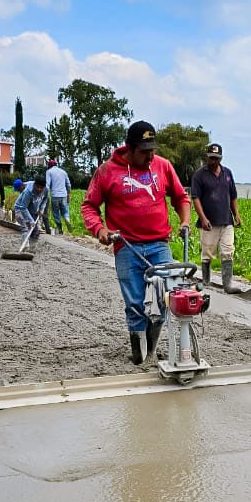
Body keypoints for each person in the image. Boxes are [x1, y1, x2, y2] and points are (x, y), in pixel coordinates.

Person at [82, 120, 192, 365]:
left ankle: (151, 350)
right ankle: (139, 354)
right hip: (127, 246)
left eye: (152, 149)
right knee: (134, 302)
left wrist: (184, 221)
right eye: (144, 151)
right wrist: (99, 229)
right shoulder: (107, 171)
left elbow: (180, 197)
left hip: (159, 244)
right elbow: (89, 206)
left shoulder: (162, 166)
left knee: (165, 297)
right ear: (129, 149)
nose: (150, 154)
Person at [190, 142, 241, 292]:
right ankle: (206, 281)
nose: (214, 161)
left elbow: (233, 196)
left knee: (228, 250)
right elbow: (196, 198)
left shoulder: (227, 173)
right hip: (209, 222)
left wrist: (236, 214)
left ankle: (228, 284)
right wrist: (203, 218)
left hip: (226, 220)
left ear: (221, 158)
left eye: (217, 158)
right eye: (211, 158)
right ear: (207, 157)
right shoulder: (199, 175)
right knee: (208, 252)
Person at [14, 174, 50, 244]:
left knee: (35, 230)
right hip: (20, 209)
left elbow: (45, 200)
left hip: (33, 210)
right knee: (26, 228)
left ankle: (32, 247)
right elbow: (23, 207)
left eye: (41, 187)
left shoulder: (46, 190)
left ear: (44, 187)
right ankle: (25, 248)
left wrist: (41, 209)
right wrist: (31, 220)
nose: (39, 189)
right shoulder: (28, 191)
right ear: (34, 185)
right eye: (37, 187)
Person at [45, 159, 72, 234]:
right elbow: (68, 184)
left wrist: (46, 196)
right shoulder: (63, 172)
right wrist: (68, 194)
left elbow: (47, 185)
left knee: (56, 212)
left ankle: (60, 229)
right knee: (65, 211)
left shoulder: (49, 172)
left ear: (49, 166)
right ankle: (67, 219)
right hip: (64, 195)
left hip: (55, 195)